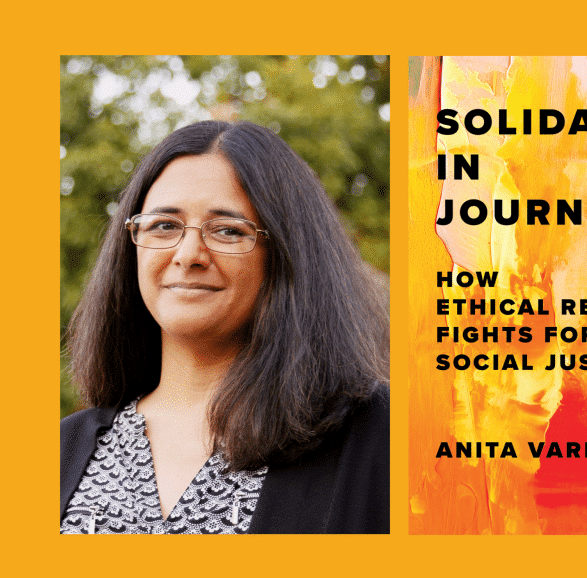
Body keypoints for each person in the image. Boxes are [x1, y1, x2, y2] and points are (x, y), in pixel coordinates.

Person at [60, 120, 390, 534]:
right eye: (164, 225)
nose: (188, 255)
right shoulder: (60, 452)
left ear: (285, 256)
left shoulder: (379, 437)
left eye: (228, 230)